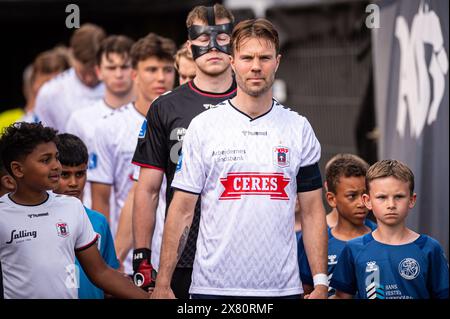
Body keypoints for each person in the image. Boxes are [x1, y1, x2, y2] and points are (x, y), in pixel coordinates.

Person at [150, 18, 328, 299]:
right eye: (247, 57)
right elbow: (182, 209)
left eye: (264, 57)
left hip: (281, 289)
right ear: (232, 61)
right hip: (212, 288)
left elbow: (312, 210)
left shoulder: (298, 127)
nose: (256, 66)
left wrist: (320, 282)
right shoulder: (204, 126)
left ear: (277, 62)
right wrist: (163, 282)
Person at [131, 4, 237, 298]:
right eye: (203, 39)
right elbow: (148, 188)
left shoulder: (256, 103)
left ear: (235, 41)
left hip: (241, 250)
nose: (213, 47)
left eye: (223, 38)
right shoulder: (165, 107)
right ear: (190, 45)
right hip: (181, 253)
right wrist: (142, 257)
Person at [0, 122, 149, 299]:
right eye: (45, 160)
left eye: (56, 157)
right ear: (18, 169)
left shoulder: (72, 207)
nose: (56, 166)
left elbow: (101, 273)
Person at [88, 33, 176, 275]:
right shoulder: (109, 127)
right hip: (123, 258)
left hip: (177, 255)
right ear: (135, 74)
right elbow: (101, 201)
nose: (161, 77)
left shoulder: (189, 124)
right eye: (151, 69)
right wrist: (107, 258)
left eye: (167, 69)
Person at [330, 159, 449, 299]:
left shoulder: (430, 248)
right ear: (367, 201)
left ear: (412, 199)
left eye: (399, 196)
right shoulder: (354, 249)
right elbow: (342, 296)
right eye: (382, 197)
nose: (391, 204)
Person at [65, 35, 135, 208]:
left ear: (135, 69)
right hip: (93, 214)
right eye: (111, 67)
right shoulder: (80, 119)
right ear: (99, 71)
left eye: (124, 67)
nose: (118, 74)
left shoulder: (154, 115)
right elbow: (67, 176)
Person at [298, 153, 376, 297]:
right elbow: (306, 291)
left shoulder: (382, 236)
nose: (361, 203)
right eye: (352, 196)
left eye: (365, 195)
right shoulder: (316, 240)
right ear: (332, 199)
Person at [53, 133, 120, 299]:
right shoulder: (37, 219)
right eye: (65, 175)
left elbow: (109, 280)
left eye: (80, 174)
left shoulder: (99, 222)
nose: (74, 183)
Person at [34, 23, 106, 132]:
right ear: (71, 54)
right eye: (83, 71)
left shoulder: (123, 87)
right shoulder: (50, 93)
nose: (89, 79)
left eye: (95, 71)